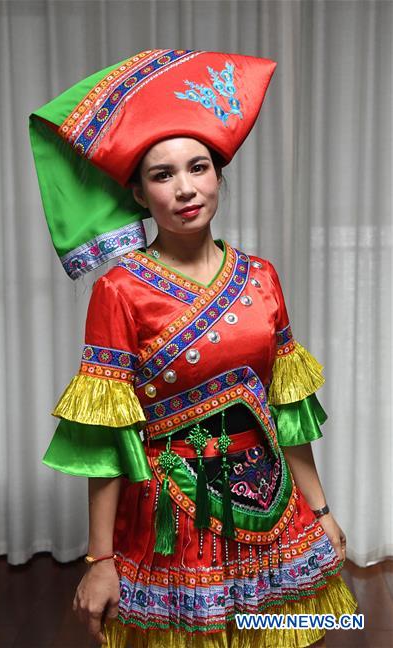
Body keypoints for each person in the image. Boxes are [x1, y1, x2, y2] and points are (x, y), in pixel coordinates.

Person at [29, 49, 358, 647]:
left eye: (198, 168)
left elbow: (288, 414)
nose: (185, 188)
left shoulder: (262, 276)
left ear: (219, 176)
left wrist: (322, 508)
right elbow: (107, 433)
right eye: (162, 175)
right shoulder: (119, 288)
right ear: (138, 194)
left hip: (273, 507)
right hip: (172, 520)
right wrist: (97, 560)